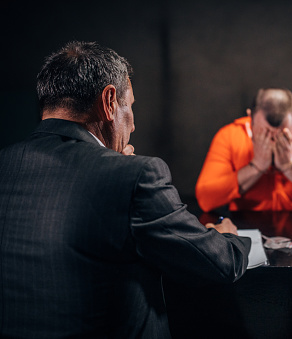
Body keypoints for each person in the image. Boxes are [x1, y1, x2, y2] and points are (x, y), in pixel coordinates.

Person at [0, 41, 251, 339]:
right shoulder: (135, 174)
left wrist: (111, 168)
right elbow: (220, 264)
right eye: (129, 106)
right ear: (109, 102)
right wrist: (229, 237)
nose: (132, 126)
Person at [195, 88, 292, 212]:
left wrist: (291, 167)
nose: (273, 139)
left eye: (283, 132)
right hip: (246, 226)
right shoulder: (229, 136)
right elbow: (205, 199)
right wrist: (256, 166)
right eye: (265, 132)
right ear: (251, 117)